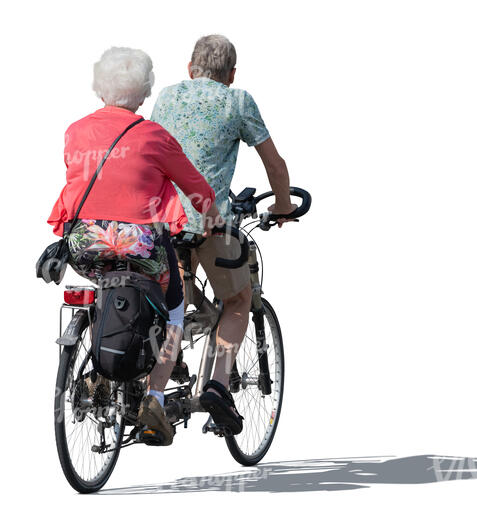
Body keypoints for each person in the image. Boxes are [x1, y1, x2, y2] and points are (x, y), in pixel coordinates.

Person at [48, 47, 221, 445]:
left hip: (84, 243)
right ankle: (155, 402)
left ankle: (97, 375)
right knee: (174, 308)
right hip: (139, 244)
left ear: (99, 88)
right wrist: (211, 220)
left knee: (107, 286)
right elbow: (198, 191)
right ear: (143, 92)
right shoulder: (154, 135)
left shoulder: (75, 131)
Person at [151, 34, 296, 434]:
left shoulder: (166, 97)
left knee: (175, 299)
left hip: (162, 221)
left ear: (189, 68)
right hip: (210, 221)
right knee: (238, 299)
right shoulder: (237, 101)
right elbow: (275, 165)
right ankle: (216, 385)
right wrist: (282, 207)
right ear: (231, 74)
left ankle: (168, 361)